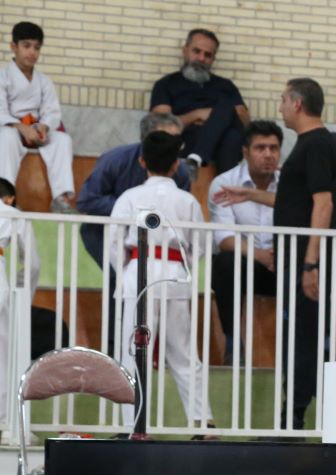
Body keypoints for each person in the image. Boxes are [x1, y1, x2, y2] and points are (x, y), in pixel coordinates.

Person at [108, 131, 214, 433]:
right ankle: (202, 421)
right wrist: (181, 265)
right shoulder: (188, 201)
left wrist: (127, 270)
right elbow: (200, 245)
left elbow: (114, 244)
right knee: (183, 352)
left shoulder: (129, 197)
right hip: (174, 274)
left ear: (142, 161)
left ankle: (132, 425)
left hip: (137, 273)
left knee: (132, 351)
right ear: (176, 164)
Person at [274, 78, 336, 430]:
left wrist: (310, 263)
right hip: (302, 259)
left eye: (283, 100)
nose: (281, 107)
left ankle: (295, 418)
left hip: (307, 261)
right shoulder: (313, 144)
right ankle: (301, 414)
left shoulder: (316, 144)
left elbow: (323, 203)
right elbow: (297, 201)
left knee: (304, 340)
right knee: (303, 338)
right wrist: (250, 195)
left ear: (297, 104)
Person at [207, 119, 282, 364]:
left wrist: (280, 255)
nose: (268, 154)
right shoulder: (224, 184)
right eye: (260, 148)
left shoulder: (288, 184)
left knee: (310, 263)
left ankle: (318, 346)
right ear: (245, 152)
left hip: (282, 264)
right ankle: (232, 345)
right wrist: (261, 256)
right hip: (247, 264)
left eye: (274, 148)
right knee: (225, 262)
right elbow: (224, 238)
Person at [77, 113, 190, 269]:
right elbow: (87, 200)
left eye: (177, 139)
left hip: (155, 236)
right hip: (107, 230)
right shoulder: (115, 159)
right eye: (164, 138)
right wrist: (129, 210)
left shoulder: (181, 170)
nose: (172, 145)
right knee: (116, 275)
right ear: (146, 139)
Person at [150, 28, 249, 176]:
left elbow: (244, 122)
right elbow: (161, 126)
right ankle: (225, 184)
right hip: (184, 143)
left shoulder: (225, 86)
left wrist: (215, 118)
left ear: (213, 59)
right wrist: (197, 115)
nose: (201, 58)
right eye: (196, 51)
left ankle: (198, 156)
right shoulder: (166, 84)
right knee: (231, 134)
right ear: (185, 51)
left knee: (228, 116)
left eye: (208, 55)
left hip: (221, 145)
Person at [0, 22, 74, 212]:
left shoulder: (44, 81)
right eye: (26, 46)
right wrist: (21, 128)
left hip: (36, 131)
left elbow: (52, 112)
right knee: (6, 137)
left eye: (37, 47)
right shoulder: (3, 77)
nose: (32, 52)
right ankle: (5, 196)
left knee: (62, 140)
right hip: (11, 130)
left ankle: (61, 198)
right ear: (13, 47)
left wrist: (44, 126)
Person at [0, 177, 41, 424]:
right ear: (9, 199)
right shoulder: (11, 214)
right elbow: (32, 264)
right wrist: (19, 291)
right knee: (3, 351)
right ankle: (5, 420)